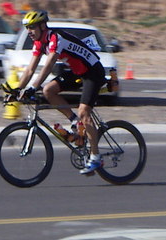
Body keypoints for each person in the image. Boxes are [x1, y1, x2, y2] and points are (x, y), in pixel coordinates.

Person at [18, 10, 106, 174]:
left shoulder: (56, 38)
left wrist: (32, 87)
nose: (28, 31)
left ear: (43, 26)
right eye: (27, 28)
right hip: (78, 71)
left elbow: (49, 64)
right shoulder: (39, 42)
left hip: (93, 71)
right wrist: (16, 90)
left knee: (84, 112)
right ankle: (74, 121)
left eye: (32, 27)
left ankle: (96, 158)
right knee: (48, 90)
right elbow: (30, 69)